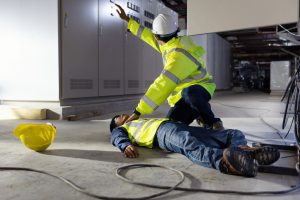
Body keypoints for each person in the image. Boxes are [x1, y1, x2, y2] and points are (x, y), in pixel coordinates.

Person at [115, 4, 223, 130]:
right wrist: (128, 20)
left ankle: (212, 122)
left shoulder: (178, 56)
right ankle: (198, 110)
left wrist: (138, 111)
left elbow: (162, 84)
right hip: (182, 96)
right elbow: (147, 35)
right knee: (171, 125)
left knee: (190, 93)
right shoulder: (170, 42)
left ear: (157, 36)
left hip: (201, 87)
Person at [110, 114, 280, 177]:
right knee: (190, 145)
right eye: (119, 117)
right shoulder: (123, 129)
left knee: (232, 134)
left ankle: (243, 151)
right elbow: (116, 137)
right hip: (162, 134)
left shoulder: (142, 118)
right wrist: (125, 146)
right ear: (117, 124)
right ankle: (225, 162)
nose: (123, 115)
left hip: (178, 125)